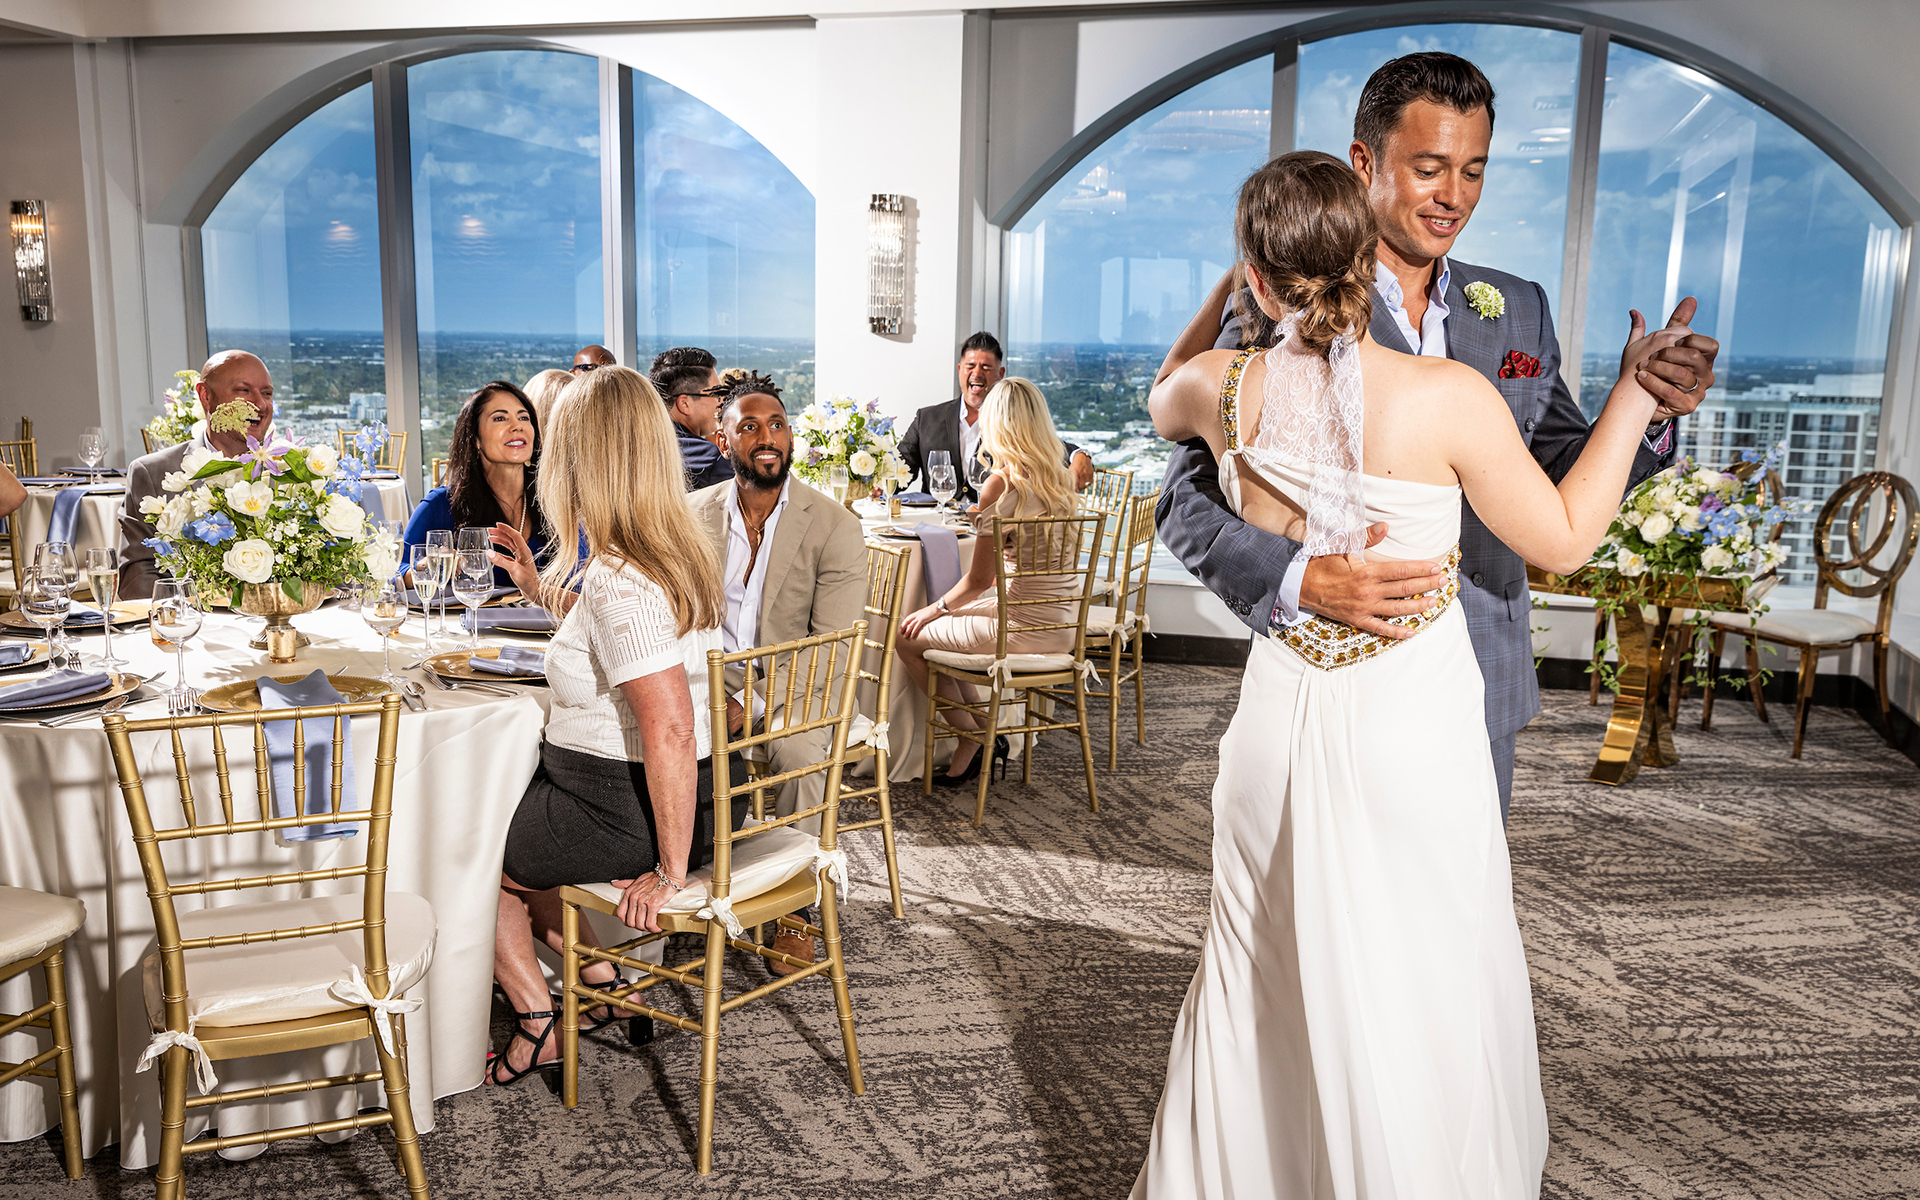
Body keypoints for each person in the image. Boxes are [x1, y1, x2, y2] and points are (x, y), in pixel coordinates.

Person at [1132, 149, 1684, 1199]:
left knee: (1258, 972)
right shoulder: (1449, 399)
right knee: (1423, 973)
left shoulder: (1217, 391)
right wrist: (1630, 394)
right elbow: (1567, 539)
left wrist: (1229, 286)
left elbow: (1164, 388)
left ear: (1258, 278)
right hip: (1412, 730)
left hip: (1274, 724)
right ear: (1364, 252)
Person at [1156, 52, 1720, 821]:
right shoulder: (1282, 299)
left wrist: (1647, 413)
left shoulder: (1520, 307)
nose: (1454, 196)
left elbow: (1558, 468)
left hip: (1482, 667)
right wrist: (1295, 579)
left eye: (1474, 171)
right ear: (1364, 164)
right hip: (1330, 658)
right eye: (1429, 169)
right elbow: (1184, 500)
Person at [485, 364, 745, 1087]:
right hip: (702, 792)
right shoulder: (672, 551)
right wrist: (539, 590)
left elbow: (671, 728)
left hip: (626, 808)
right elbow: (625, 644)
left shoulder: (621, 576)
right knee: (514, 828)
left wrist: (670, 871)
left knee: (471, 858)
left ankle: (537, 1022)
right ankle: (601, 982)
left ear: (579, 460)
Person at [687, 372, 865, 973]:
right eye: (749, 427)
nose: (767, 437)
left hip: (799, 678)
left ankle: (797, 907)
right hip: (709, 670)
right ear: (722, 441)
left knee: (795, 750)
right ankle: (676, 870)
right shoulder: (691, 514)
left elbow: (831, 647)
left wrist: (752, 704)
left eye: (777, 425)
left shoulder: (833, 523)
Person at [897, 377, 1081, 785]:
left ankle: (973, 734)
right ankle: (979, 733)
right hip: (1064, 623)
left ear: (997, 424)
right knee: (938, 630)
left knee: (908, 637)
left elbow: (980, 580)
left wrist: (931, 609)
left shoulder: (1001, 484)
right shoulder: (1062, 479)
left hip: (1020, 627)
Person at [117, 349, 277, 600]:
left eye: (266, 393)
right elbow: (136, 578)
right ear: (205, 396)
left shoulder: (293, 473)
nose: (259, 404)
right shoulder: (152, 473)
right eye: (243, 391)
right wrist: (193, 609)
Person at [897, 333, 1095, 502]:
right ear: (959, 370)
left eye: (985, 367)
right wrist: (881, 483)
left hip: (991, 527)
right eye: (970, 366)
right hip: (935, 525)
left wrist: (1081, 454)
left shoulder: (1013, 421)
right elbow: (899, 468)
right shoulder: (927, 418)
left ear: (1000, 374)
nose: (976, 373)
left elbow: (1050, 449)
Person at [403, 381, 547, 589]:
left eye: (524, 417)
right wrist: (427, 567)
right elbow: (395, 573)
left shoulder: (554, 503)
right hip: (472, 611)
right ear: (475, 438)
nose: (517, 426)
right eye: (500, 418)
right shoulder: (441, 504)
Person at [648, 346, 733, 490]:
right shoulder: (713, 459)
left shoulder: (634, 448)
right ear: (685, 404)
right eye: (716, 395)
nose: (720, 403)